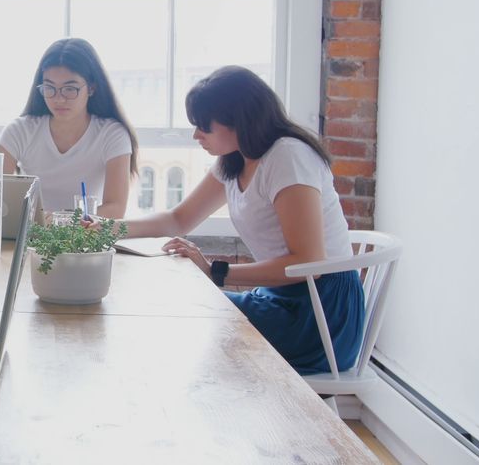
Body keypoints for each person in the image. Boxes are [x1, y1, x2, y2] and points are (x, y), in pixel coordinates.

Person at [116, 65, 364, 375]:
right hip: (283, 299)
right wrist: (110, 229)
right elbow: (178, 219)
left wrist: (216, 271)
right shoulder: (236, 160)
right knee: (183, 314)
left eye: (204, 126)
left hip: (320, 312)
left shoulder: (288, 157)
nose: (196, 135)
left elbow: (308, 261)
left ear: (239, 120)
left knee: (189, 316)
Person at [0, 38, 138, 218]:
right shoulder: (19, 131)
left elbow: (115, 209)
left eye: (70, 89)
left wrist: (56, 221)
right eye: (50, 88)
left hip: (85, 239)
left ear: (91, 88)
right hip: (31, 239)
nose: (59, 99)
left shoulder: (112, 134)